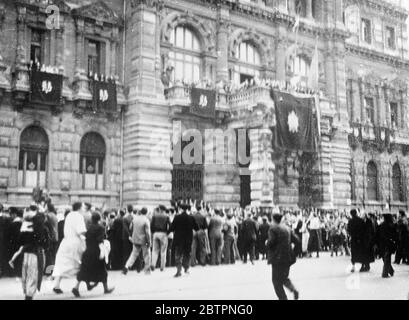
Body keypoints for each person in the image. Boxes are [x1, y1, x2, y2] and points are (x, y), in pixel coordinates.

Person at [72, 212, 114, 297]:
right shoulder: (101, 228)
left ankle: (76, 287)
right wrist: (103, 247)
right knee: (102, 271)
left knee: (84, 271)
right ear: (99, 219)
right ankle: (106, 289)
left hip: (88, 252)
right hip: (96, 252)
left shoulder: (89, 228)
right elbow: (100, 240)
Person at [11, 209, 50, 300]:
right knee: (34, 274)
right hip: (37, 253)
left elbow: (20, 241)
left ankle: (27, 292)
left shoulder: (27, 228)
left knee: (26, 274)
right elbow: (47, 243)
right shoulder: (44, 229)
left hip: (26, 253)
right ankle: (29, 294)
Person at [52, 202, 87, 294]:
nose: (84, 209)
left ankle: (56, 285)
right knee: (81, 264)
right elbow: (81, 231)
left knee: (63, 264)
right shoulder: (79, 216)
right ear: (79, 208)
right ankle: (77, 286)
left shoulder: (69, 215)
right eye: (83, 207)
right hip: (75, 243)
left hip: (65, 242)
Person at [267, 212, 300, 300]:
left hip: (277, 259)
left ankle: (283, 299)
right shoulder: (287, 228)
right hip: (288, 258)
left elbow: (271, 242)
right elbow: (297, 240)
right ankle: (294, 290)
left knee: (276, 282)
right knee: (284, 278)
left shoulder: (273, 229)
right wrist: (293, 253)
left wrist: (267, 243)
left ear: (273, 219)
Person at [169, 204, 199, 277]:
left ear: (180, 209)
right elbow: (197, 228)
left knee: (178, 255)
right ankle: (186, 268)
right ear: (188, 209)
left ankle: (179, 271)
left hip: (178, 239)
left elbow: (171, 228)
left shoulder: (177, 217)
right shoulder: (191, 218)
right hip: (188, 239)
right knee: (187, 254)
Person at [122, 207, 151, 275]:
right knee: (146, 255)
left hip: (135, 239)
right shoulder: (146, 220)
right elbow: (148, 233)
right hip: (144, 240)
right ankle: (147, 270)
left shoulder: (135, 219)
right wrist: (149, 241)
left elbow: (130, 227)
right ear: (146, 212)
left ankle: (126, 267)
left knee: (133, 254)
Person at [376, 213, 398, 278]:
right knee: (387, 259)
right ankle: (385, 274)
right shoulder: (391, 226)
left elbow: (376, 235)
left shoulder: (380, 225)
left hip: (381, 244)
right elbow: (395, 236)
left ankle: (390, 271)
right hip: (388, 244)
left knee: (385, 258)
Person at [150, 205, 171, 271]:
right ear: (164, 210)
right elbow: (170, 226)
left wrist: (153, 232)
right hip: (163, 233)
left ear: (159, 209)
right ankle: (162, 267)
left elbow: (151, 225)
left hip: (156, 233)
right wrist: (167, 233)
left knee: (155, 250)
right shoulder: (167, 216)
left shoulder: (154, 216)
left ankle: (153, 264)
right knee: (163, 251)